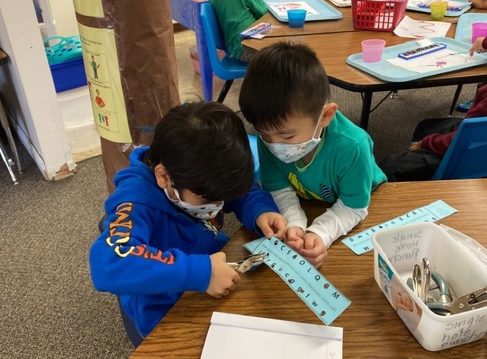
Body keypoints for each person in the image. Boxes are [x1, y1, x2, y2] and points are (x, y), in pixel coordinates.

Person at [89, 101, 287, 346]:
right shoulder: (136, 203)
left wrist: (260, 211)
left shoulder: (200, 174)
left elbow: (239, 191)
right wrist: (201, 272)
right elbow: (110, 263)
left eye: (221, 197)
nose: (218, 204)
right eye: (207, 199)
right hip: (165, 312)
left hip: (212, 277)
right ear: (163, 176)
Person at [239, 42, 387, 268]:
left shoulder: (353, 146)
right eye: (264, 134)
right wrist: (294, 223)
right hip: (310, 200)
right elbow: (277, 187)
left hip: (364, 198)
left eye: (287, 136)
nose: (274, 144)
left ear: (326, 116)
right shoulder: (269, 136)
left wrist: (321, 232)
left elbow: (354, 206)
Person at [379, 38, 487, 181]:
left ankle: (424, 181)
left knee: (389, 167)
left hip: (469, 155)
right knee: (426, 127)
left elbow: (463, 139)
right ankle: (418, 164)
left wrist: (427, 143)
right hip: (475, 135)